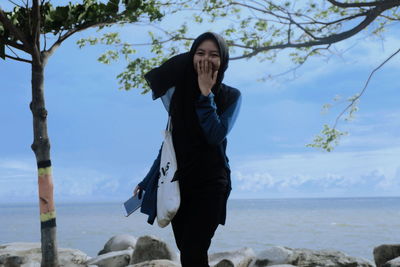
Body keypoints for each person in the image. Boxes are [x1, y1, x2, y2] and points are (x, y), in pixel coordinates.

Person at [133, 32, 242, 267]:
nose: (206, 59)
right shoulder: (179, 96)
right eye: (200, 53)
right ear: (192, 57)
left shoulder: (231, 96)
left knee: (195, 249)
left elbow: (214, 135)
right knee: (189, 254)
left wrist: (206, 94)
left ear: (223, 61)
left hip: (211, 185)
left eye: (214, 55)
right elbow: (170, 143)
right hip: (178, 185)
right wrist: (147, 179)